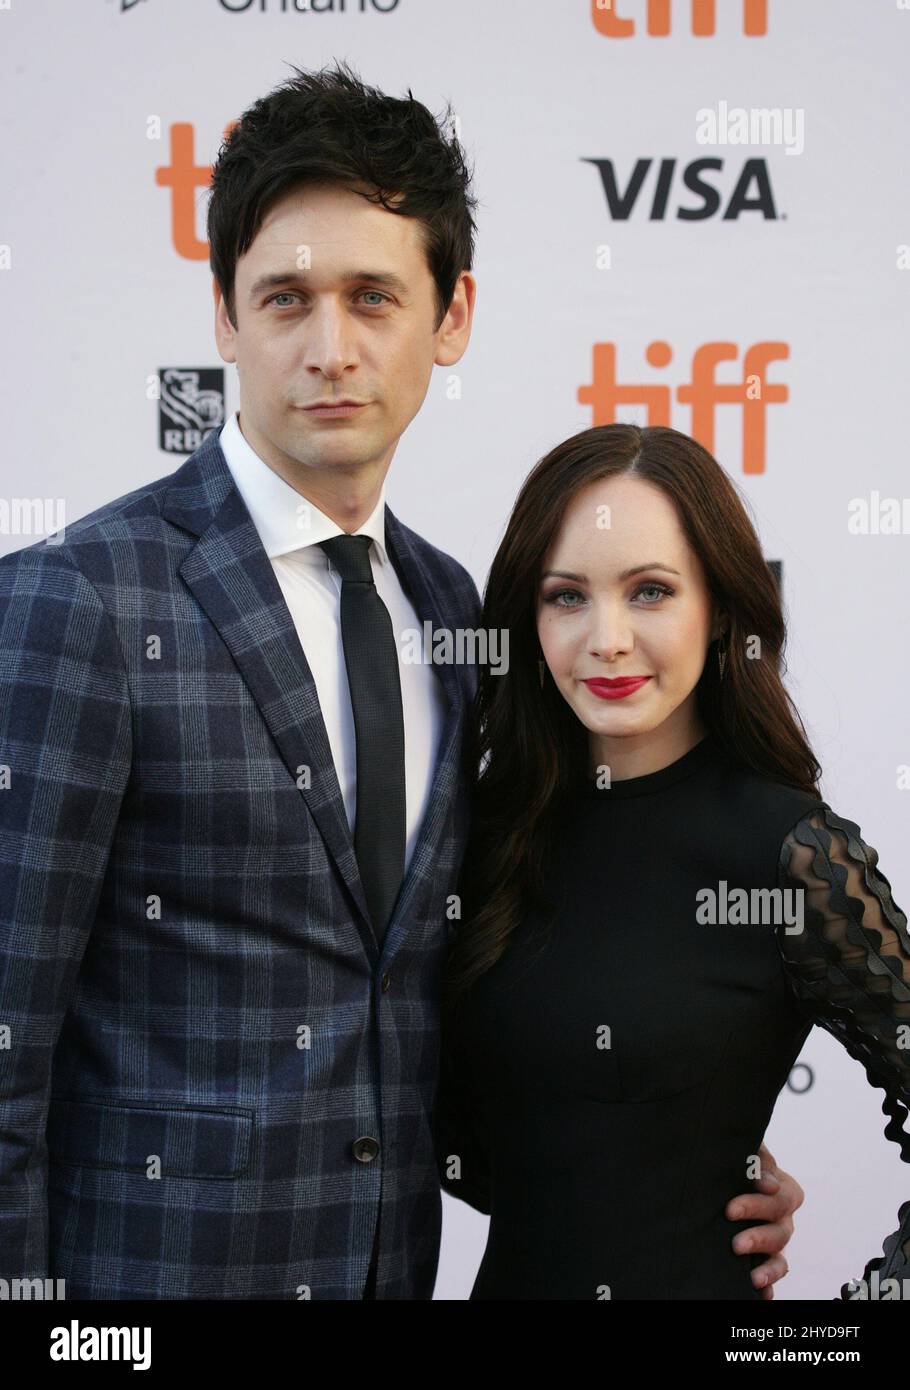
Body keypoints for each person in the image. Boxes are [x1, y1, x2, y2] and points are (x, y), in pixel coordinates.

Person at [0, 63, 800, 1301]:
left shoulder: (453, 610)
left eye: (374, 296)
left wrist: (672, 1158)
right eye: (284, 299)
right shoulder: (80, 600)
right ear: (223, 317)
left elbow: (440, 1018)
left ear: (451, 314)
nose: (330, 349)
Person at [435, 422, 910, 1300]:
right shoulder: (479, 836)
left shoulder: (791, 857)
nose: (607, 638)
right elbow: (480, 1150)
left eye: (650, 591)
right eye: (567, 597)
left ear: (722, 606)